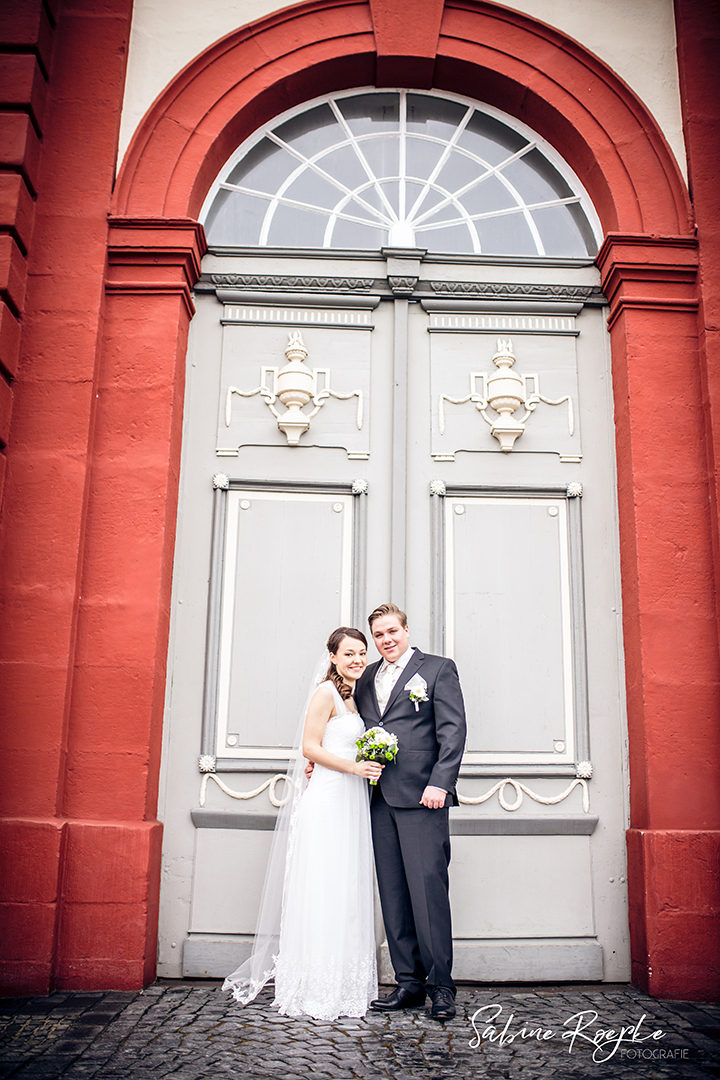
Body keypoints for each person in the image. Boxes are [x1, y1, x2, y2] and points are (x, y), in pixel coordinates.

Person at [223, 627, 382, 1021]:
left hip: (352, 799)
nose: (357, 660)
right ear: (332, 656)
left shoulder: (354, 697)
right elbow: (310, 747)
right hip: (329, 797)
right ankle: (312, 986)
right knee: (323, 885)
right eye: (349, 654)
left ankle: (345, 985)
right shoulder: (325, 693)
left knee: (346, 886)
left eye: (362, 653)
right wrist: (353, 767)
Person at [354, 603, 466, 1022]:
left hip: (424, 797)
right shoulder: (366, 677)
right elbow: (356, 727)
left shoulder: (437, 670)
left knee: (427, 890)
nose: (386, 640)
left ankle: (441, 986)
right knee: (394, 893)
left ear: (405, 630)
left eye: (391, 631)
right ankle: (408, 982)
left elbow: (453, 730)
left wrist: (441, 782)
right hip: (379, 797)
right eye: (378, 635)